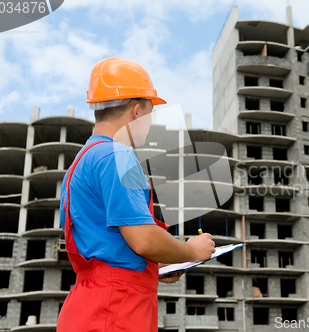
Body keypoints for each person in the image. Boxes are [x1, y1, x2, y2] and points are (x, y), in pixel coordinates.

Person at [57, 57, 215, 332]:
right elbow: (143, 239)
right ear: (136, 110)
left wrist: (159, 263)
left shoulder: (82, 162)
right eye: (151, 110)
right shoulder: (118, 155)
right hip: (118, 309)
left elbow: (110, 244)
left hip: (90, 306)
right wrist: (191, 251)